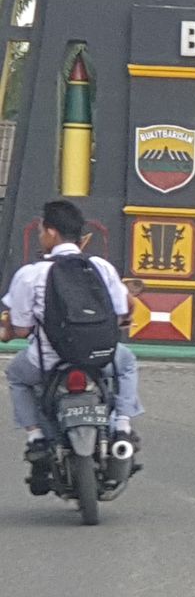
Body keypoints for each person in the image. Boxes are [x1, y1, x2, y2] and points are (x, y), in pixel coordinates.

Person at [0, 200, 143, 494]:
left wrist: (9, 333)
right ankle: (123, 426)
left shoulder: (31, 274)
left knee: (16, 376)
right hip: (101, 357)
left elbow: (23, 327)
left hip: (49, 361)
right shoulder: (101, 267)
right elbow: (119, 313)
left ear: (51, 233)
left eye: (42, 231)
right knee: (127, 364)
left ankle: (36, 437)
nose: (41, 236)